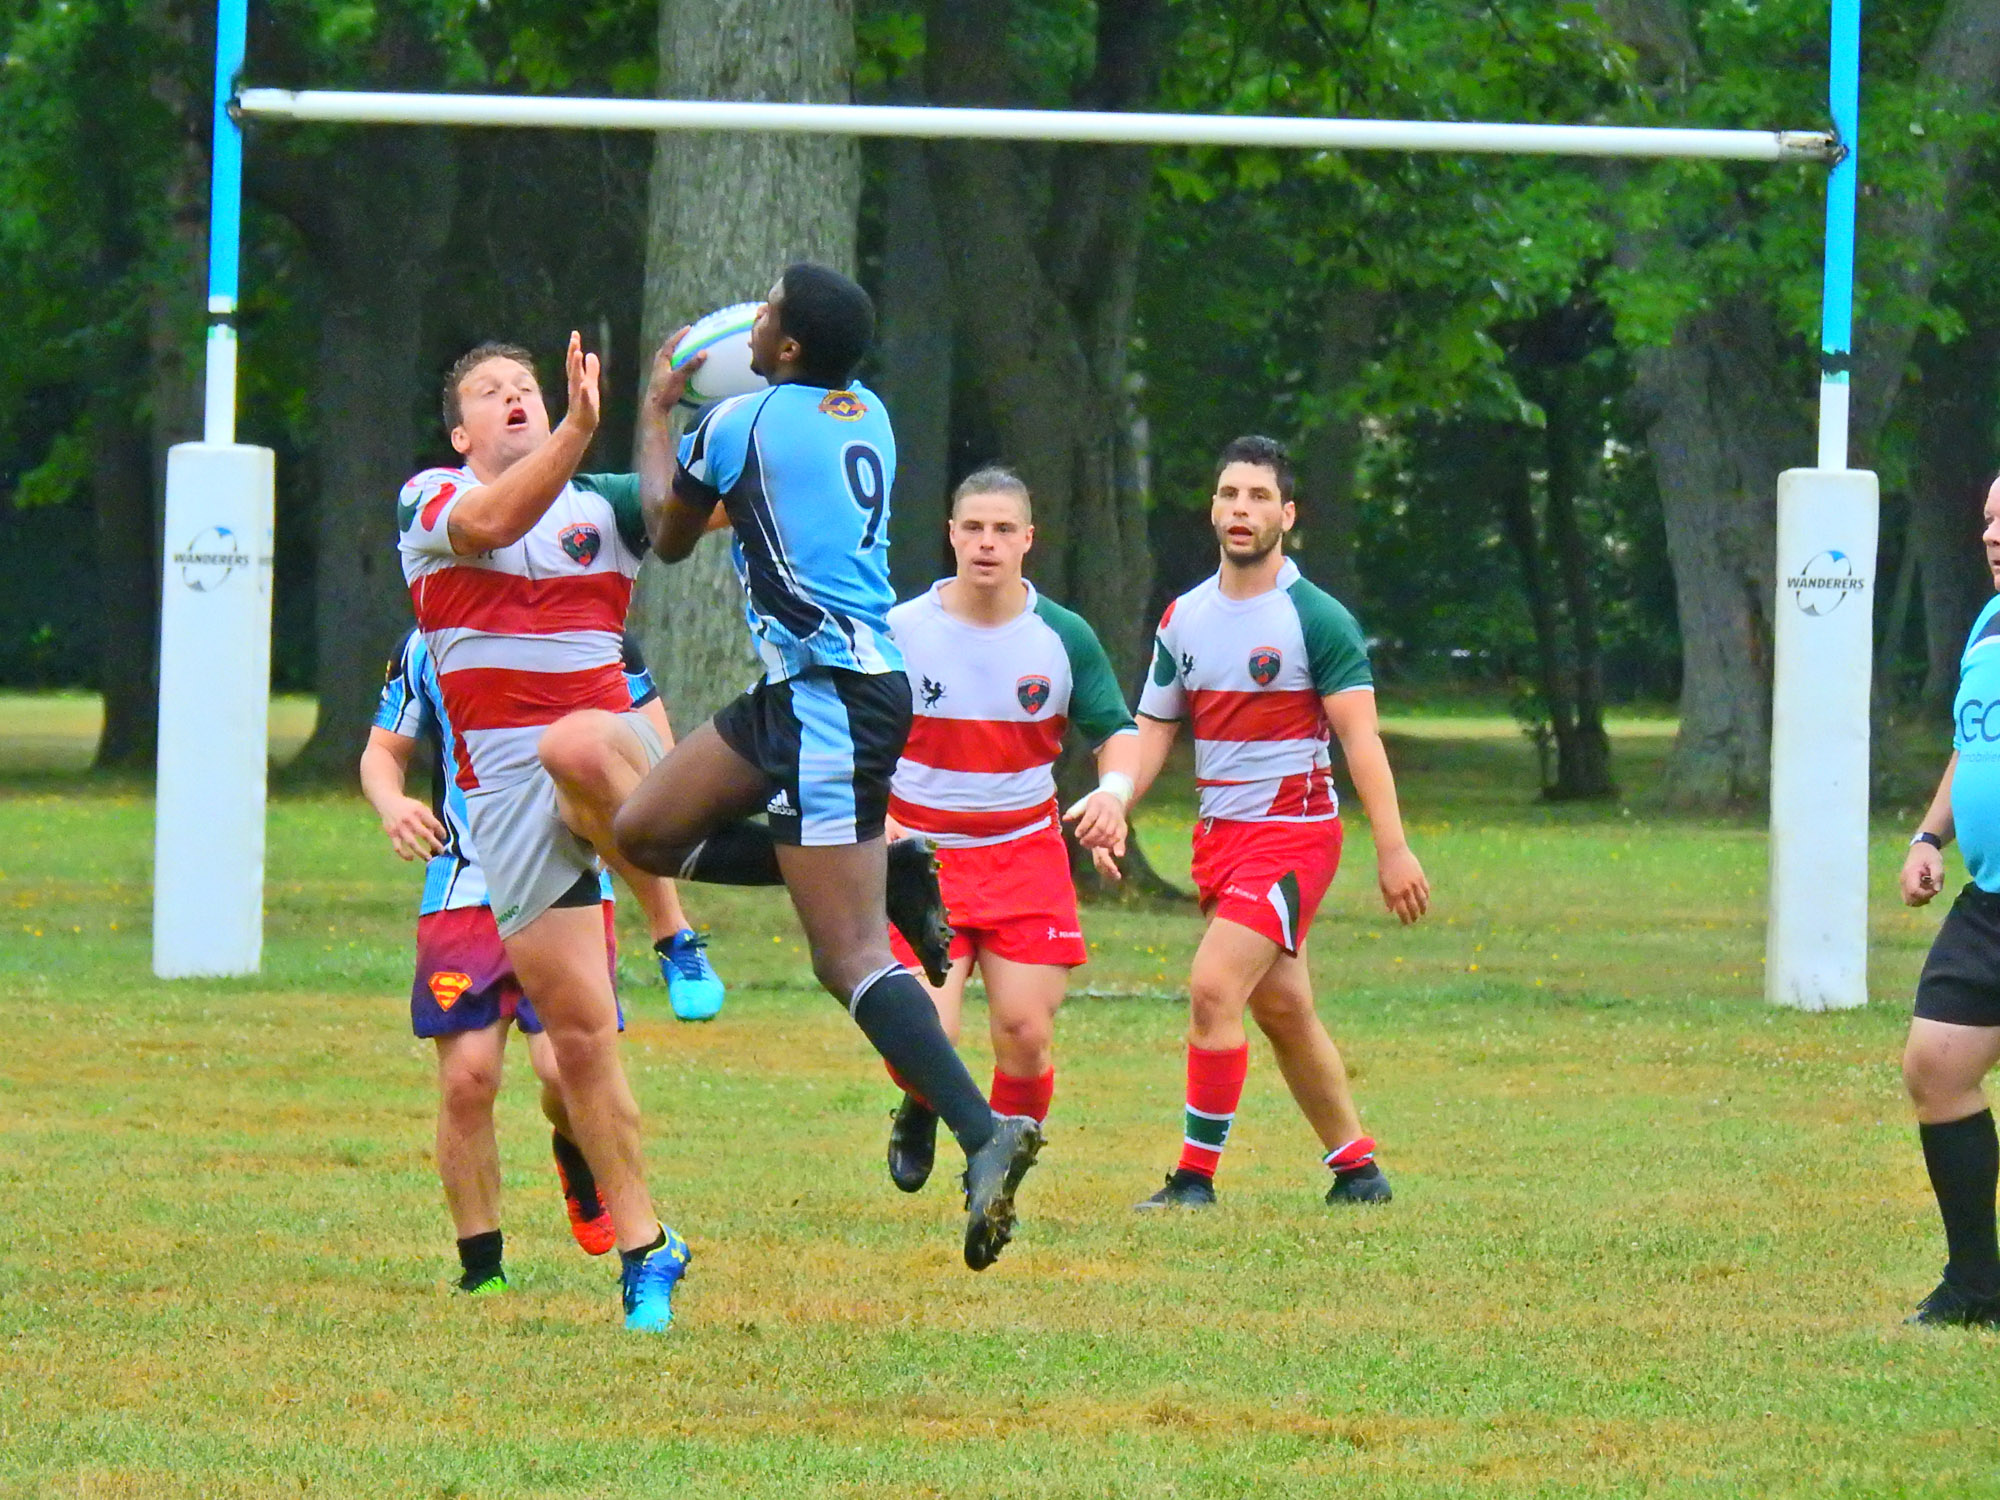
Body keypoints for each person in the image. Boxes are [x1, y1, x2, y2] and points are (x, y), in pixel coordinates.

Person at [613, 262, 1043, 1271]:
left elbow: (666, 534)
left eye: (764, 315)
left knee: (845, 956)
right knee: (641, 831)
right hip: (817, 693)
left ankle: (985, 1135)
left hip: (826, 697)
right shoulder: (869, 415)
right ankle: (884, 862)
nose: (751, 326)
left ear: (789, 350)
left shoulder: (739, 427)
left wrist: (656, 411)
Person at [397, 335, 695, 1330]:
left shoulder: (608, 503)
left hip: (598, 760)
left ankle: (683, 926)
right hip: (501, 816)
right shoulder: (429, 502)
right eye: (492, 392)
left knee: (575, 743)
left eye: (528, 387)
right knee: (575, 1050)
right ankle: (648, 1246)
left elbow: (705, 511)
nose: (514, 398)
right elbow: (491, 519)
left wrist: (693, 411)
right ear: (458, 431)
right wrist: (576, 425)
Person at [1126, 435, 1430, 1211]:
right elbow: (1155, 726)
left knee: (1211, 988)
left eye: (1259, 497)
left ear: (1286, 516)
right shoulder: (1184, 617)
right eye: (1230, 494)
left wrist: (1391, 849)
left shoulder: (1314, 618)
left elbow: (1361, 739)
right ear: (1213, 509)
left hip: (1295, 836)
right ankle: (1359, 1172)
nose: (1241, 509)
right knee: (1284, 1007)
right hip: (1220, 840)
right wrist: (1114, 801)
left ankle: (1194, 1180)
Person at [877, 466, 1138, 1193]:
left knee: (1025, 1035)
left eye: (1002, 530)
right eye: (973, 528)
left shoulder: (1062, 635)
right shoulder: (900, 630)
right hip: (918, 859)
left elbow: (1116, 732)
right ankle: (921, 1101)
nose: (986, 544)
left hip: (1024, 854)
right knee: (923, 1037)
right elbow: (850, 732)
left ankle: (998, 1179)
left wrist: (1114, 794)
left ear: (1028, 540)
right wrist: (881, 815)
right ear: (950, 535)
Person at [362, 626, 630, 1292]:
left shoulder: (588, 631)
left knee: (566, 1072)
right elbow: (381, 753)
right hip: (463, 886)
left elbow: (643, 741)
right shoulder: (425, 643)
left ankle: (579, 1155)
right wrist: (392, 803)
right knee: (467, 1079)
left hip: (564, 880)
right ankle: (482, 1268)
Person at [1899, 475, 2000, 1327]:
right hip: (1989, 902)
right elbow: (1974, 746)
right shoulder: (1987, 625)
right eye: (1989, 521)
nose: (1994, 537)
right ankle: (1976, 1286)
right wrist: (1929, 838)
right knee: (1937, 1069)